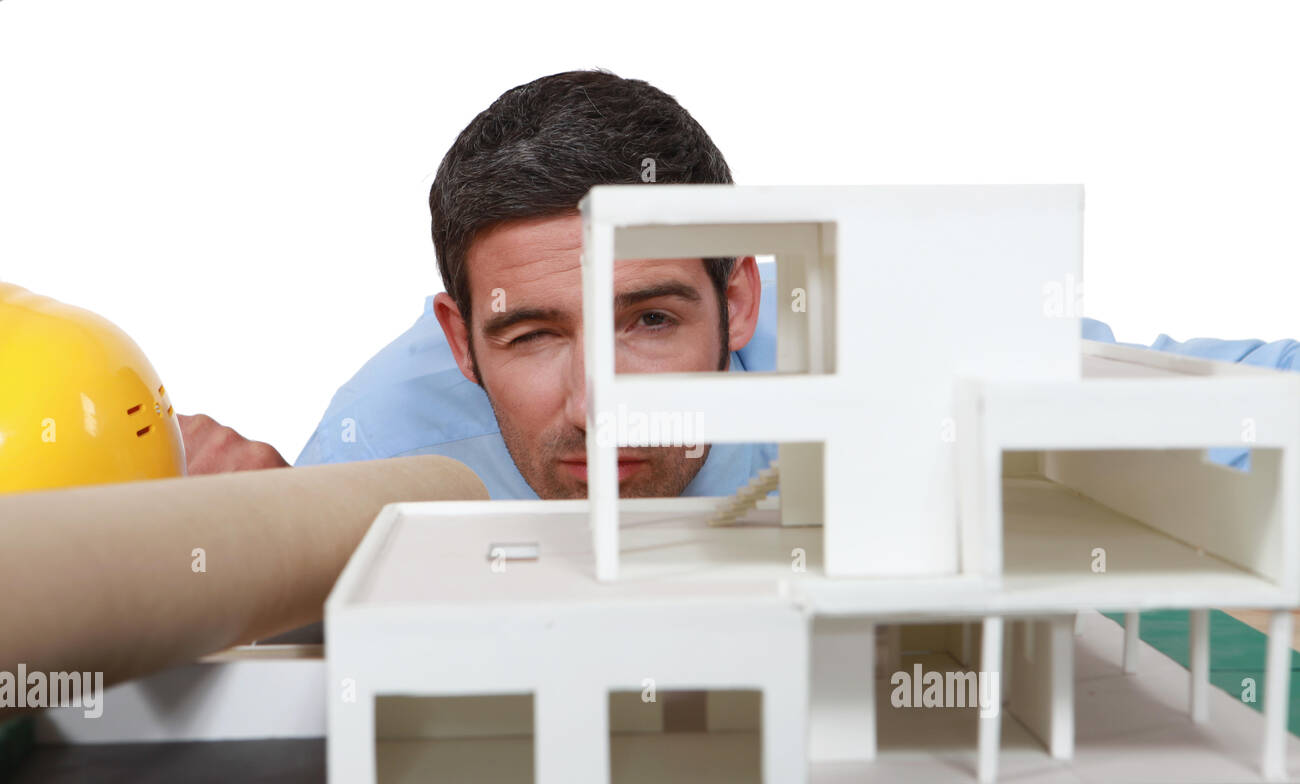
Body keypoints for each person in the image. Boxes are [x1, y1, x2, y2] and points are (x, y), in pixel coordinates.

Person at [181, 69, 1300, 490]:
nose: (598, 406)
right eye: (532, 336)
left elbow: (1232, 400)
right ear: (460, 339)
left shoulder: (869, 342)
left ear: (743, 300)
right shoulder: (380, 446)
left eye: (649, 319)